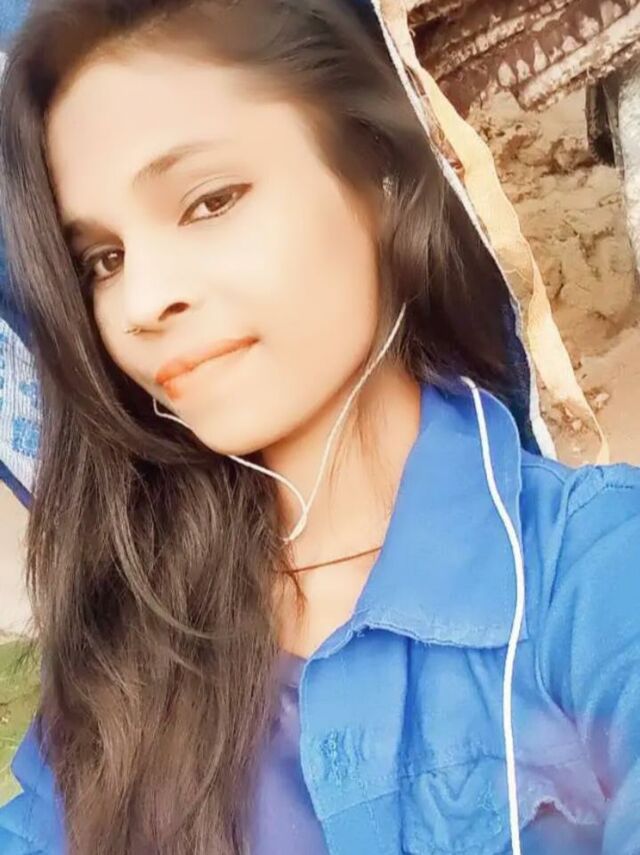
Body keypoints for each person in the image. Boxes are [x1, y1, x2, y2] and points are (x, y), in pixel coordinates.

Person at [0, 1, 638, 853]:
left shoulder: (588, 572)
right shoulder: (126, 657)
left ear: (377, 173)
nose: (142, 302)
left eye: (209, 201)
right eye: (102, 261)